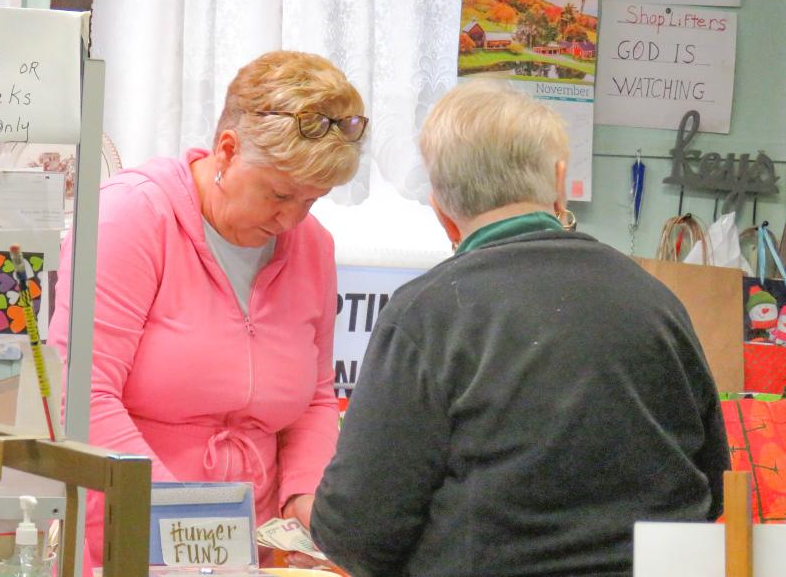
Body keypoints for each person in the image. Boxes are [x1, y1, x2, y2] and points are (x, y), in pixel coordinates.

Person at [310, 79, 729, 577]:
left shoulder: (426, 314)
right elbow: (714, 483)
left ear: (441, 207)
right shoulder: (656, 301)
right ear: (559, 180)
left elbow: (357, 533)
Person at [48, 50, 367, 568]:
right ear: (226, 149)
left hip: (254, 543)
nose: (291, 220)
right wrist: (186, 521)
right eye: (279, 194)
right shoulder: (132, 216)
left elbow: (313, 398)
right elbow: (81, 395)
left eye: (312, 201)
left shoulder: (313, 247)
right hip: (132, 531)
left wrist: (307, 506)